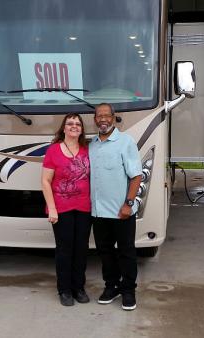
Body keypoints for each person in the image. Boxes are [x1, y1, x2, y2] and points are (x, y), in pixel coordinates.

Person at [89, 103, 142, 311]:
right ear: (95, 120)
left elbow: (136, 175)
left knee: (126, 252)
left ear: (113, 118)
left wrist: (128, 203)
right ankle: (111, 286)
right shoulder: (91, 145)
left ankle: (128, 290)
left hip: (122, 211)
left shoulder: (125, 142)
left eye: (106, 115)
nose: (102, 119)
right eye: (98, 116)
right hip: (98, 212)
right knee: (105, 252)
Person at [41, 113, 91, 306]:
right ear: (63, 128)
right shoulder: (53, 150)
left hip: (85, 207)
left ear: (81, 129)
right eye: (70, 123)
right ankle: (64, 290)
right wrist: (52, 209)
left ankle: (79, 288)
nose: (74, 126)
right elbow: (45, 181)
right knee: (65, 250)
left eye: (78, 124)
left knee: (81, 249)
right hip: (61, 208)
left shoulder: (87, 149)